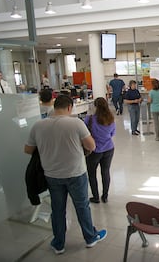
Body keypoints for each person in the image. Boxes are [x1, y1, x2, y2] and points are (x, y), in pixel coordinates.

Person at [24, 95, 107, 255]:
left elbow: (28, 149)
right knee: (82, 206)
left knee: (57, 209)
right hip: (75, 172)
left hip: (52, 175)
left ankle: (59, 243)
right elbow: (91, 145)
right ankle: (90, 238)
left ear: (55, 106)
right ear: (70, 107)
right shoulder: (75, 123)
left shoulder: (38, 125)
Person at [84, 97, 116, 204]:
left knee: (92, 173)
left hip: (94, 150)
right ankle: (105, 196)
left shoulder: (90, 119)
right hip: (109, 148)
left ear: (95, 106)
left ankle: (96, 196)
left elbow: (84, 134)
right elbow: (112, 134)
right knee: (105, 172)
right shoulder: (111, 118)